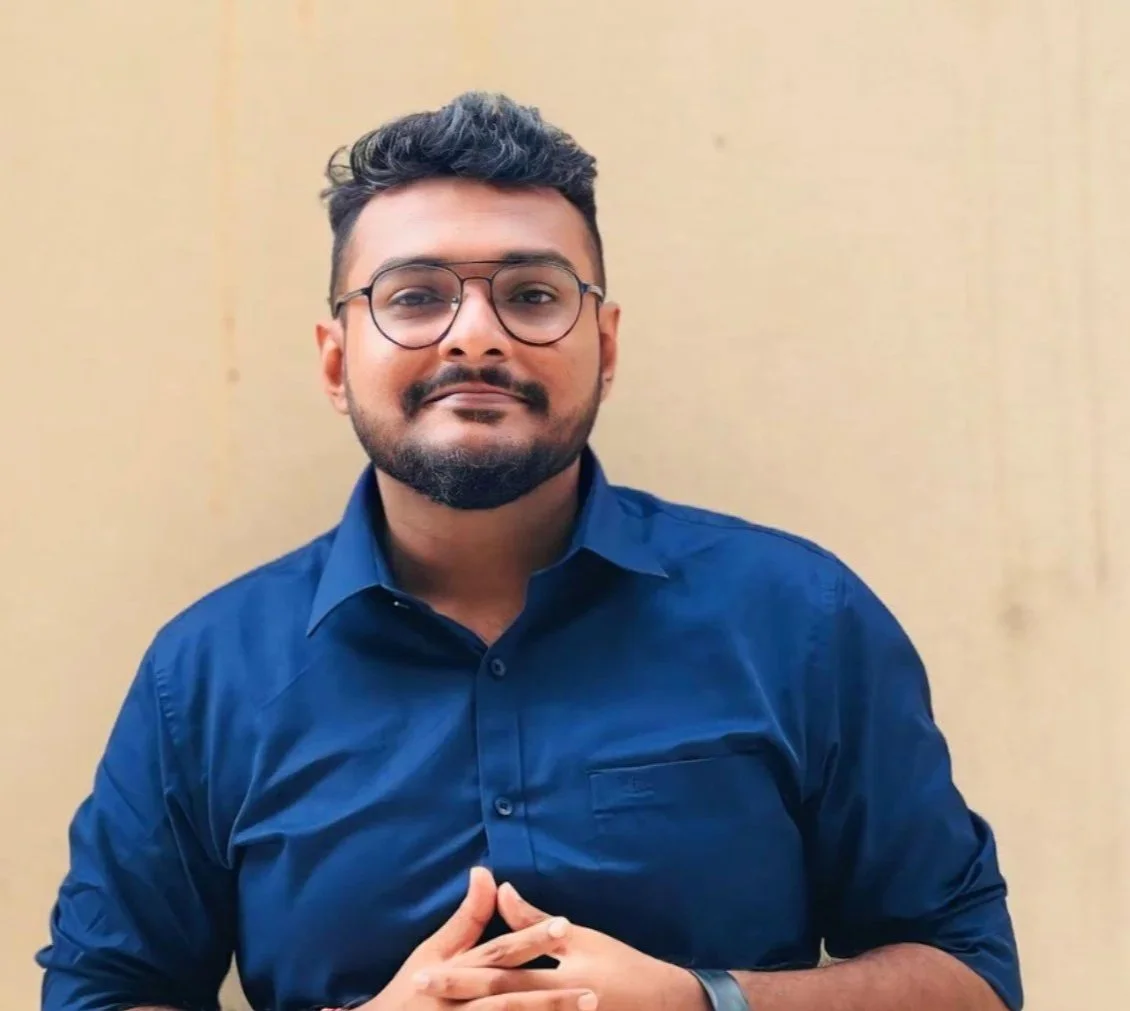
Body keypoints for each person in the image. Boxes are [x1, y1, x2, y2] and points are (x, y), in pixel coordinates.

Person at [37, 92, 1022, 1011]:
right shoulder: (204, 674)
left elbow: (967, 973)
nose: (474, 335)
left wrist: (705, 1000)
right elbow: (97, 990)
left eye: (531, 294)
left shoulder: (797, 618)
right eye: (415, 297)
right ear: (336, 361)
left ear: (605, 343)